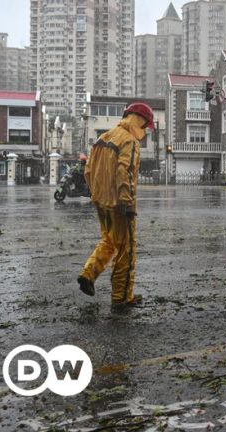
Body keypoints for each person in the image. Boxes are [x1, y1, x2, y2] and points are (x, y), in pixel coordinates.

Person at [77, 102, 154, 312]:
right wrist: (126, 202)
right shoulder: (129, 141)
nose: (146, 130)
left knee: (109, 241)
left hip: (101, 201)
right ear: (140, 120)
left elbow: (89, 170)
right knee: (126, 250)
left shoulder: (104, 137)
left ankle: (88, 273)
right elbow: (124, 172)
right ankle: (121, 297)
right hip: (120, 204)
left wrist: (97, 194)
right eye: (146, 125)